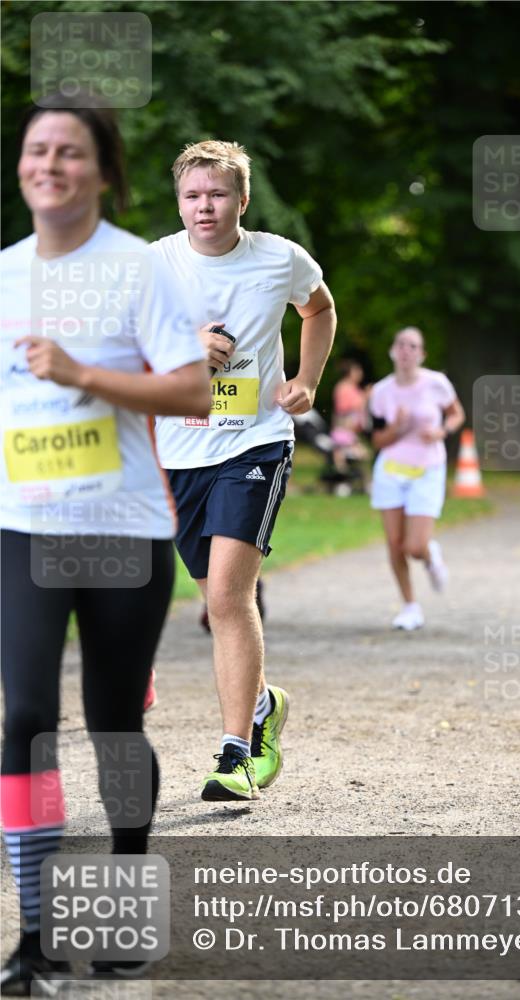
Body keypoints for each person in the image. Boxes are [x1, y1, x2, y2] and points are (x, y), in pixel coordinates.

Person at [0, 102, 210, 993]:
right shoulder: (3, 274)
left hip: (122, 527)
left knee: (114, 723)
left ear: (102, 171)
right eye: (37, 149)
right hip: (23, 526)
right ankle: (37, 937)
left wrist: (84, 374)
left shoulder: (136, 267)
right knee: (24, 719)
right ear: (22, 167)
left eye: (71, 152)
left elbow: (195, 392)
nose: (51, 163)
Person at [151, 140, 336, 801]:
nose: (205, 207)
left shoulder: (280, 259)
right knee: (215, 597)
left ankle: (237, 755)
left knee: (229, 596)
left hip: (255, 443)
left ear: (242, 200)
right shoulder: (152, 266)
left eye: (218, 194)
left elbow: (318, 309)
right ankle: (264, 705)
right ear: (179, 202)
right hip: (178, 452)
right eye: (193, 196)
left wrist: (307, 381)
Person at [369, 327, 464, 631]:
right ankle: (410, 606)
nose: (406, 350)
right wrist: (395, 428)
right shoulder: (381, 392)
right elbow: (377, 441)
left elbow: (456, 414)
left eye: (413, 346)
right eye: (401, 344)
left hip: (428, 468)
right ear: (392, 351)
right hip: (391, 471)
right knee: (395, 544)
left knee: (414, 545)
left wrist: (442, 431)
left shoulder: (436, 383)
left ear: (421, 354)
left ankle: (429, 554)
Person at [330, 359, 370, 481]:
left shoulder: (353, 388)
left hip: (352, 431)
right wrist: (366, 397)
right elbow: (344, 408)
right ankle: (350, 480)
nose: (360, 373)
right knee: (361, 455)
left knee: (364, 455)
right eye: (357, 370)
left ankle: (362, 481)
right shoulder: (343, 388)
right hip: (344, 431)